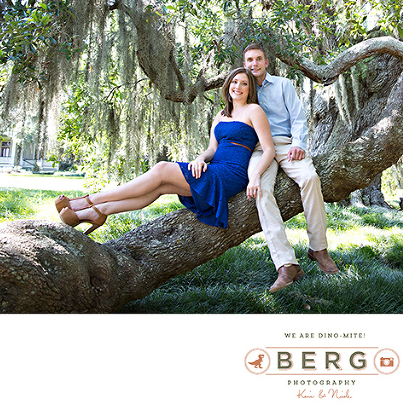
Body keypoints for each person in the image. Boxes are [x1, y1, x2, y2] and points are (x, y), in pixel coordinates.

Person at [55, 68, 275, 234]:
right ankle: (96, 212)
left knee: (161, 169)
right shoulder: (221, 115)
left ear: (250, 89)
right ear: (228, 85)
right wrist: (200, 159)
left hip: (231, 175)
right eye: (234, 82)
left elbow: (268, 150)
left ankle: (86, 201)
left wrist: (255, 176)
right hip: (213, 168)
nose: (238, 87)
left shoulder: (253, 110)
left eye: (244, 83)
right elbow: (212, 149)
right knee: (159, 188)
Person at [243, 43, 339, 293]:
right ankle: (286, 264)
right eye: (249, 60)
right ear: (245, 64)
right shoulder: (243, 88)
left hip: (286, 145)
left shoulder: (283, 85)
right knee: (261, 191)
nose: (254, 64)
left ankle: (319, 248)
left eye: (258, 59)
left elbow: (298, 118)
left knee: (310, 178)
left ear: (266, 62)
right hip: (259, 149)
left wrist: (298, 144)